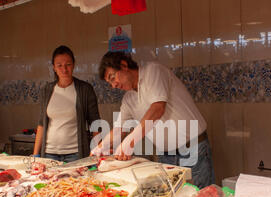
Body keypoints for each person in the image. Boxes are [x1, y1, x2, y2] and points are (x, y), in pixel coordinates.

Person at [91, 51, 215, 189]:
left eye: (112, 77)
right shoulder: (128, 99)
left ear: (124, 65)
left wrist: (130, 141)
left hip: (192, 148)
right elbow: (119, 129)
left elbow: (157, 108)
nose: (113, 85)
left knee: (202, 195)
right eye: (110, 82)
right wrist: (101, 147)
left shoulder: (153, 71)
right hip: (166, 155)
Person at [33, 45, 100, 163]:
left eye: (68, 64)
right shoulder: (46, 90)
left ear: (73, 65)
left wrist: (96, 152)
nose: (64, 69)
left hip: (75, 154)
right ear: (54, 67)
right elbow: (41, 124)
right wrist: (35, 155)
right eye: (59, 65)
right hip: (49, 154)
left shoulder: (85, 89)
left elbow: (95, 123)